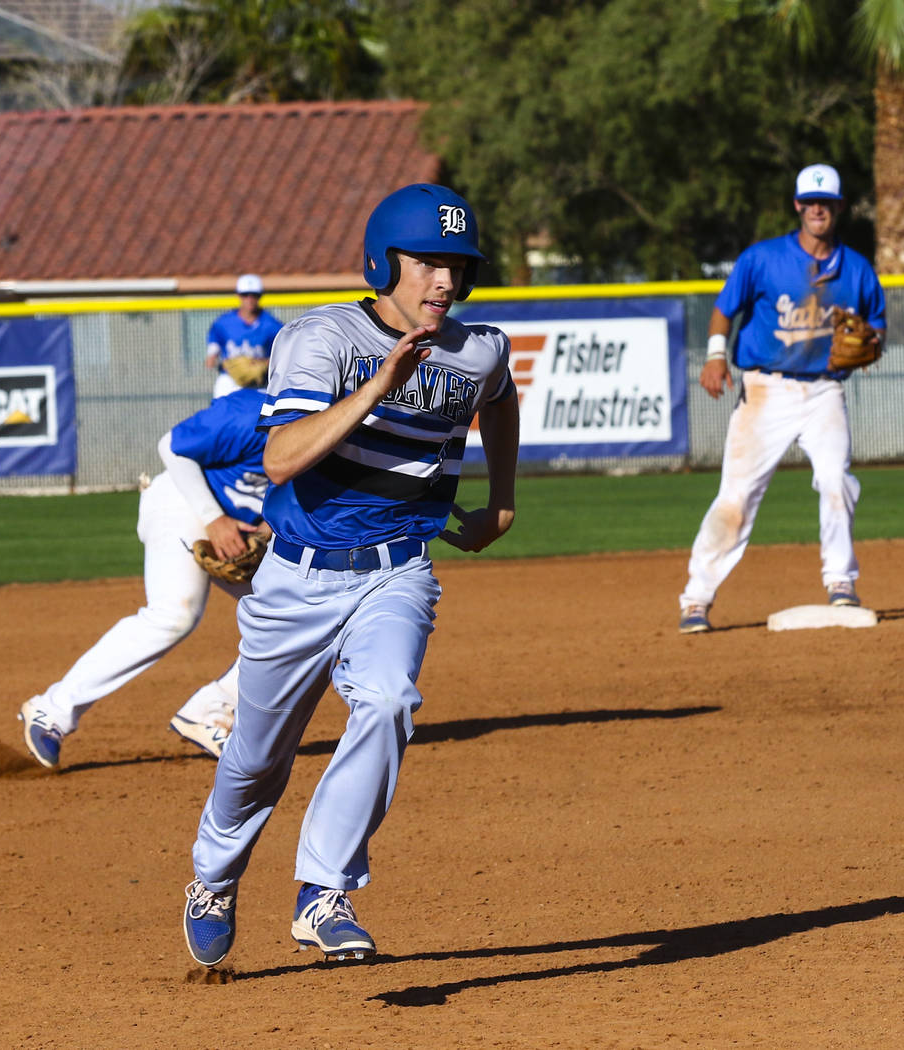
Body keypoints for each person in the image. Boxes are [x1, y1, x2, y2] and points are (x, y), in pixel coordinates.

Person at [181, 183, 519, 968]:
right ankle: (212, 876)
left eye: (457, 266)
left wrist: (501, 500)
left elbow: (497, 396)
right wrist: (378, 387)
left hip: (397, 572)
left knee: (392, 698)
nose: (444, 281)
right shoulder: (322, 339)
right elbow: (278, 458)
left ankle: (322, 890)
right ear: (383, 261)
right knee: (258, 760)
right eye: (428, 262)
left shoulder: (477, 348)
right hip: (297, 579)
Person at [678, 163, 886, 634]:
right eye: (810, 202)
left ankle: (841, 582)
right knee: (736, 499)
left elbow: (876, 330)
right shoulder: (763, 259)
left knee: (836, 481)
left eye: (826, 202)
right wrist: (715, 358)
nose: (818, 209)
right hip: (765, 390)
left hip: (824, 390)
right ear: (797, 205)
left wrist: (870, 346)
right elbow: (724, 309)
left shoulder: (857, 269)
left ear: (838, 208)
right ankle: (696, 598)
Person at [17, 388, 272, 768]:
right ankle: (51, 711)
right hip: (183, 501)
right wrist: (213, 519)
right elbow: (172, 446)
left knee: (294, 617)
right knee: (174, 613)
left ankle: (211, 710)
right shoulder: (254, 411)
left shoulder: (344, 434)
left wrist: (264, 534)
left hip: (238, 527)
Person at [205, 274, 284, 399]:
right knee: (221, 413)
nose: (250, 299)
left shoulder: (272, 325)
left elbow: (283, 352)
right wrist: (214, 357)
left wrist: (264, 363)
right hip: (230, 379)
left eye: (254, 295)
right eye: (245, 295)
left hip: (259, 382)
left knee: (261, 416)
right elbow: (214, 343)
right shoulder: (224, 322)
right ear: (238, 295)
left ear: (260, 296)